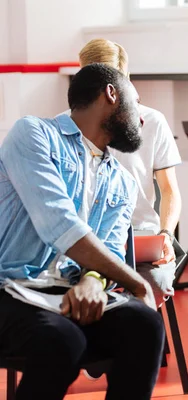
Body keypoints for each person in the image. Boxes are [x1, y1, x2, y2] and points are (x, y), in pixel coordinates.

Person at [0, 64, 165, 400]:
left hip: (65, 293)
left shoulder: (122, 180)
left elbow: (110, 250)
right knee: (63, 339)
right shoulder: (32, 134)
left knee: (144, 325)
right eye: (137, 105)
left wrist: (93, 281)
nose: (142, 120)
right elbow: (58, 223)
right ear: (111, 94)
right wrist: (135, 282)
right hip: (9, 286)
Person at [74, 38, 183, 307]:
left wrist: (166, 234)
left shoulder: (151, 121)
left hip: (140, 236)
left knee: (152, 286)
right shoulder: (67, 124)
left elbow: (170, 191)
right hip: (87, 239)